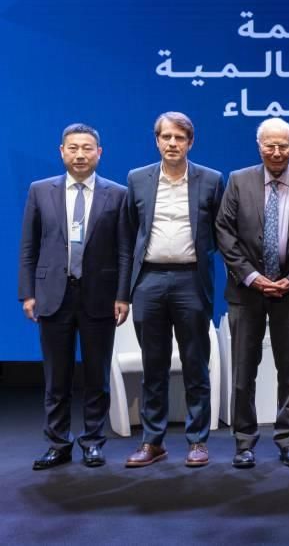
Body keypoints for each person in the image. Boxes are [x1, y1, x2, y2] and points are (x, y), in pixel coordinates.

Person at [18, 123, 131, 470]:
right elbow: (28, 246)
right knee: (57, 377)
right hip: (53, 294)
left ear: (99, 153)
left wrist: (123, 295)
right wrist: (27, 293)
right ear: (61, 152)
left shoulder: (118, 194)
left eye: (87, 148)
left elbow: (125, 251)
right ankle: (58, 443)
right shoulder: (40, 190)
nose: (80, 154)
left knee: (96, 376)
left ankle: (93, 442)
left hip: (100, 296)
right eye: (73, 148)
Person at [215, 118, 289, 469]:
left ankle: (288, 440)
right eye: (269, 145)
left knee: (288, 370)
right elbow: (224, 233)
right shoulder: (238, 180)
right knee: (244, 371)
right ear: (259, 146)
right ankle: (244, 442)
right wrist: (252, 277)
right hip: (246, 292)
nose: (276, 152)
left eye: (283, 146)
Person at [123, 111, 224, 468]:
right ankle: (153, 442)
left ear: (190, 142)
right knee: (154, 365)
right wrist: (125, 290)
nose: (172, 143)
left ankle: (198, 441)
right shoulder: (137, 179)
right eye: (166, 137)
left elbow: (219, 232)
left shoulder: (211, 180)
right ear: (157, 141)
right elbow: (130, 235)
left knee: (196, 363)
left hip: (191, 280)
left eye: (179, 138)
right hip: (148, 280)